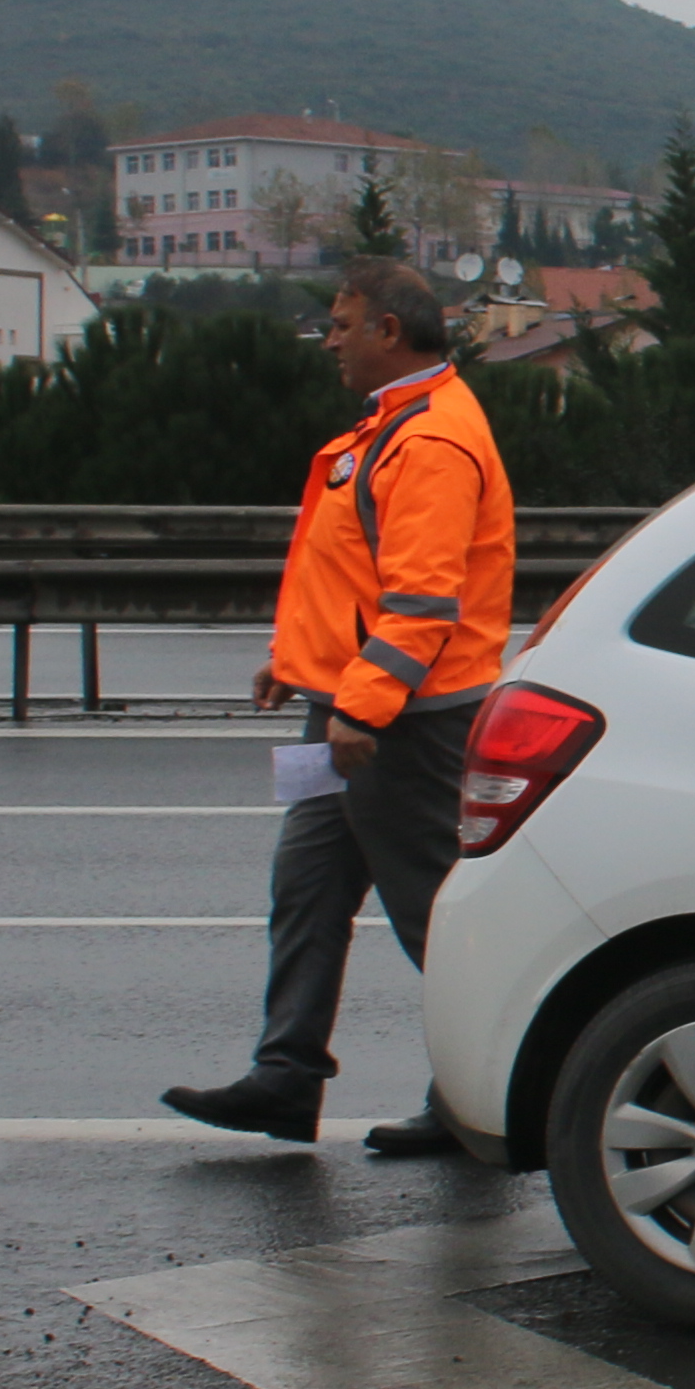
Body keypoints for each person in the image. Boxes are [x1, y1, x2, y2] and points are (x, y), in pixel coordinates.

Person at [163, 255, 516, 1154]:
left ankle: (481, 1094)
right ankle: (286, 1076)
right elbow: (351, 572)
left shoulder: (431, 440)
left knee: (430, 914)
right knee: (307, 888)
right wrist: (298, 661)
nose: (328, 342)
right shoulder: (393, 426)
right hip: (346, 707)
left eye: (340, 324)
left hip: (401, 721)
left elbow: (424, 599)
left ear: (387, 332)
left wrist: (360, 706)